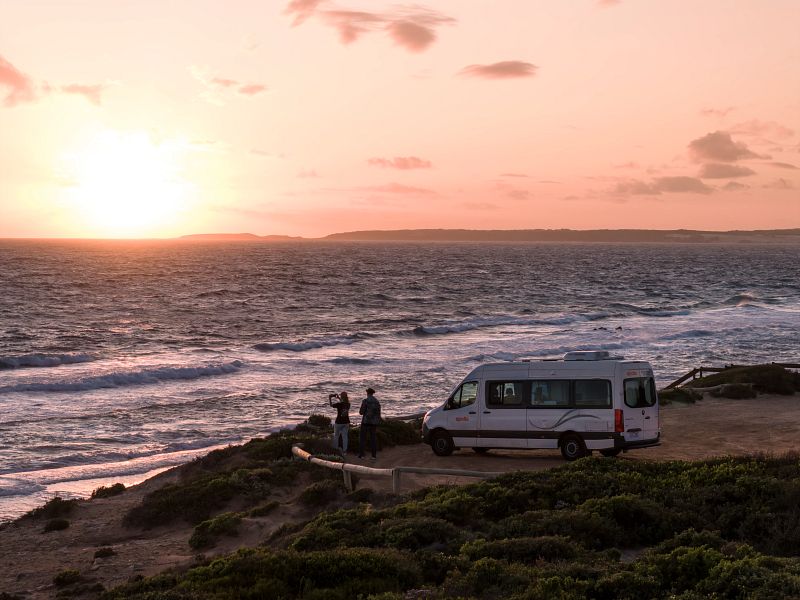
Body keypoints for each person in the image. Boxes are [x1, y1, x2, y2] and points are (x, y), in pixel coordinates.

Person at [358, 387, 381, 460]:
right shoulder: (377, 402)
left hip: (365, 422)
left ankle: (362, 455)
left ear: (367, 393)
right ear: (372, 393)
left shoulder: (365, 401)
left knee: (363, 439)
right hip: (374, 423)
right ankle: (373, 456)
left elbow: (361, 412)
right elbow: (378, 414)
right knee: (373, 439)